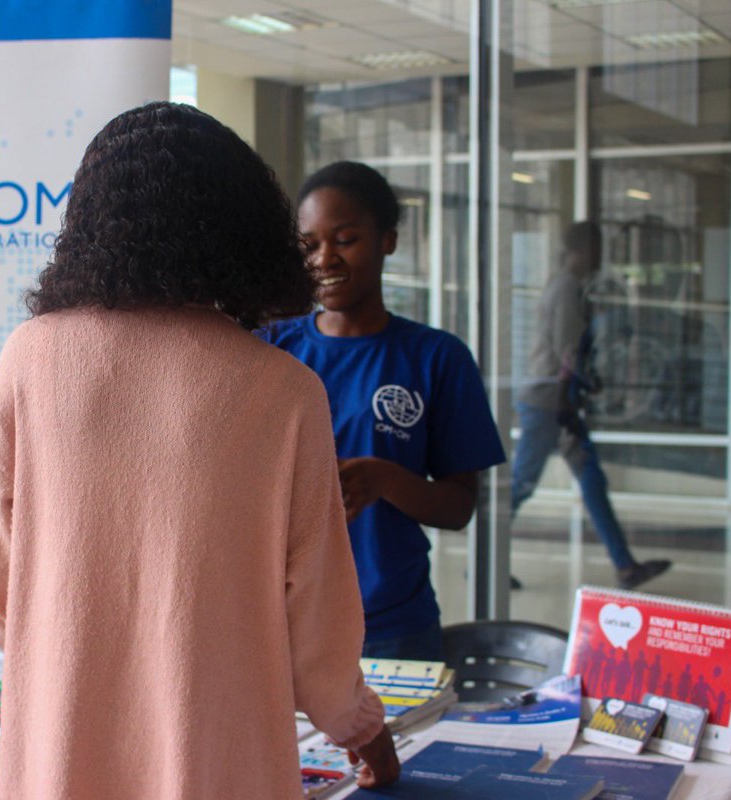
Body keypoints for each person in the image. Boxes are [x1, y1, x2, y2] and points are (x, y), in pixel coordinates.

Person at [0, 102, 399, 799]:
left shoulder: (29, 359)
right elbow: (315, 619)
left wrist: (79, 665)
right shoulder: (284, 392)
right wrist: (359, 726)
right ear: (244, 228)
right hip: (219, 760)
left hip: (62, 750)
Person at [258, 161, 505, 661]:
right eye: (310, 245)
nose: (325, 258)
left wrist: (385, 480)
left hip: (394, 627)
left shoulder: (437, 357)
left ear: (388, 240)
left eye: (345, 239)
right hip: (278, 623)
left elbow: (459, 508)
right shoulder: (270, 350)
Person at [511, 221, 670, 590]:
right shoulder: (566, 288)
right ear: (583, 249)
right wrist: (577, 388)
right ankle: (483, 558)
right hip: (550, 399)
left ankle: (626, 566)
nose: (601, 257)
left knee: (592, 480)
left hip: (559, 397)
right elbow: (567, 351)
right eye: (597, 248)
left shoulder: (567, 286)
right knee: (521, 484)